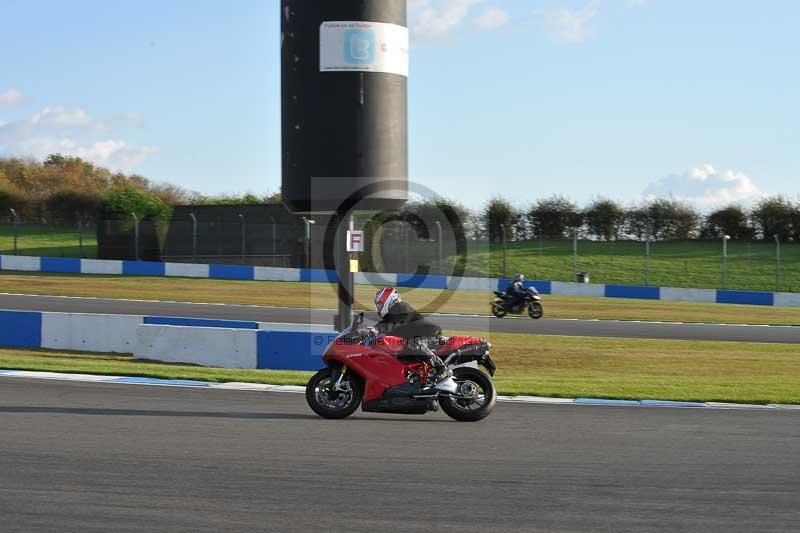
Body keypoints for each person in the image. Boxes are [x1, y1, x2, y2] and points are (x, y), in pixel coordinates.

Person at [369, 287, 457, 392]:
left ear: (389, 300)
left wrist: (375, 330)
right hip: (417, 337)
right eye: (377, 305)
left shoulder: (401, 307)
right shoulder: (391, 316)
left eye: (380, 304)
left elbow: (387, 324)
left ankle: (441, 369)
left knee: (414, 345)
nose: (378, 307)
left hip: (430, 334)